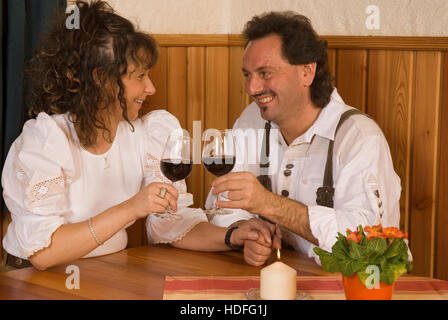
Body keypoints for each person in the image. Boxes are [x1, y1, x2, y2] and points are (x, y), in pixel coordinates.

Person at [0, 1, 278, 272]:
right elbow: (44, 254)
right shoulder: (47, 139)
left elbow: (171, 223)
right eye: (140, 76)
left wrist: (232, 236)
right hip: (34, 281)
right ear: (102, 78)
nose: (151, 88)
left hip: (107, 275)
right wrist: (132, 208)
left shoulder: (147, 134)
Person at [206, 11, 402, 262]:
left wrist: (268, 204)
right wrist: (244, 232)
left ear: (307, 72)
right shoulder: (251, 120)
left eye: (265, 73)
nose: (251, 89)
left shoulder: (359, 137)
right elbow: (220, 205)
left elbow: (369, 244)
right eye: (247, 74)